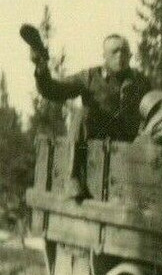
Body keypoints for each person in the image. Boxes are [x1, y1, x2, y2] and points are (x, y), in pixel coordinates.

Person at [23, 26, 151, 198]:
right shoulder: (89, 77)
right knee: (82, 113)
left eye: (124, 51)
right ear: (104, 56)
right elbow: (53, 90)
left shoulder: (141, 81)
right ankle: (73, 176)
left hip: (129, 144)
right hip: (95, 140)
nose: (120, 55)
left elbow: (155, 107)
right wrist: (41, 68)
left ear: (130, 56)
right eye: (114, 51)